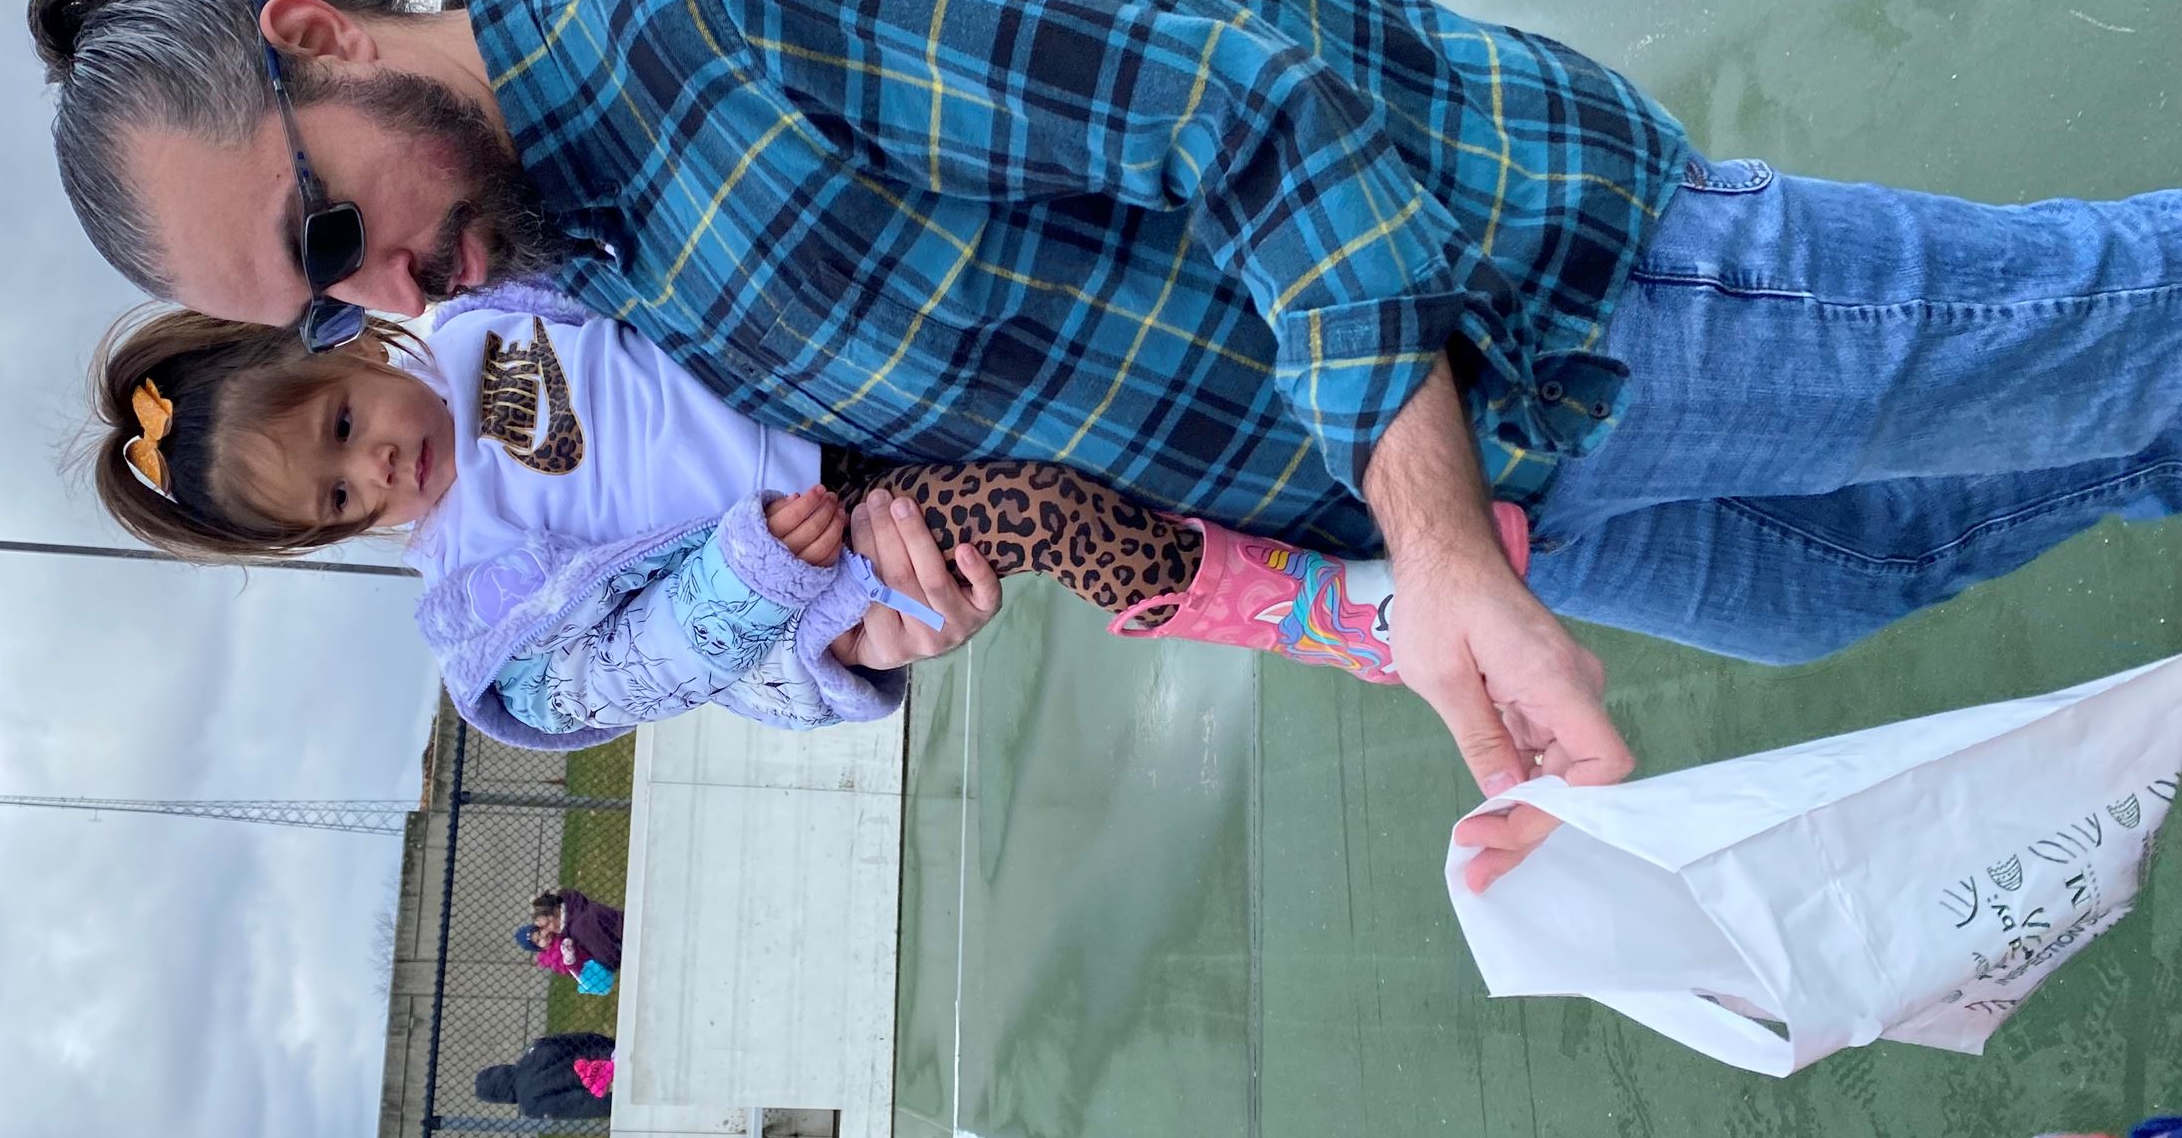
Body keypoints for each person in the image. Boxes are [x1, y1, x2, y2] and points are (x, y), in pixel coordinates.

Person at [28, 0, 2182, 885]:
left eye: (332, 237)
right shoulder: (570, 249)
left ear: (315, 36)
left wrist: (1429, 545)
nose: (390, 306)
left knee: (2117, 336)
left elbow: (1241, 110)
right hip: (1467, 494)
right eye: (324, 311)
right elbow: (798, 503)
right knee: (1869, 577)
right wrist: (892, 585)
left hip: (1568, 306)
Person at [79, 301, 1530, 744]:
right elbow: (630, 674)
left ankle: (1412, 452)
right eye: (339, 500)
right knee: (1056, 512)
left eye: (343, 425)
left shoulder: (479, 313)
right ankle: (1344, 613)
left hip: (853, 371)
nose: (379, 470)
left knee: (1108, 387)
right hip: (847, 536)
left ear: (345, 354)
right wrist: (754, 570)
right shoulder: (476, 589)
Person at [472, 1030, 617, 1120]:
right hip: (612, 1055)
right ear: (502, 1068)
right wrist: (612, 1048)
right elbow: (584, 1038)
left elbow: (577, 1105)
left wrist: (615, 1103)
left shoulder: (530, 1105)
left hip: (609, 1087)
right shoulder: (536, 1049)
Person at [520, 888, 623, 995]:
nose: (547, 932)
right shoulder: (576, 908)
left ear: (555, 911)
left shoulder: (579, 928)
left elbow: (610, 957)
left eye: (547, 925)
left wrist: (604, 966)